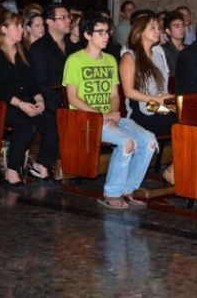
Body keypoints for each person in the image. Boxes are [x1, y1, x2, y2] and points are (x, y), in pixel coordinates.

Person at [63, 13, 157, 210]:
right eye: (100, 32)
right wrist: (101, 116)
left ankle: (129, 188)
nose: (106, 36)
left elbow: (115, 95)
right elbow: (72, 98)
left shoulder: (110, 60)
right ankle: (111, 193)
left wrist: (113, 113)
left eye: (108, 32)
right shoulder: (75, 60)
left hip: (109, 117)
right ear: (87, 35)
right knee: (127, 142)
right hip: (86, 119)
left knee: (149, 141)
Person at [0, 11, 59, 186]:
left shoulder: (22, 51)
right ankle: (12, 170)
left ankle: (41, 164)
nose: (21, 30)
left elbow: (32, 81)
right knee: (27, 126)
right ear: (3, 29)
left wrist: (39, 100)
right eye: (16, 26)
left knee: (53, 123)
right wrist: (21, 104)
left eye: (20, 26)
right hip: (1, 104)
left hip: (24, 102)